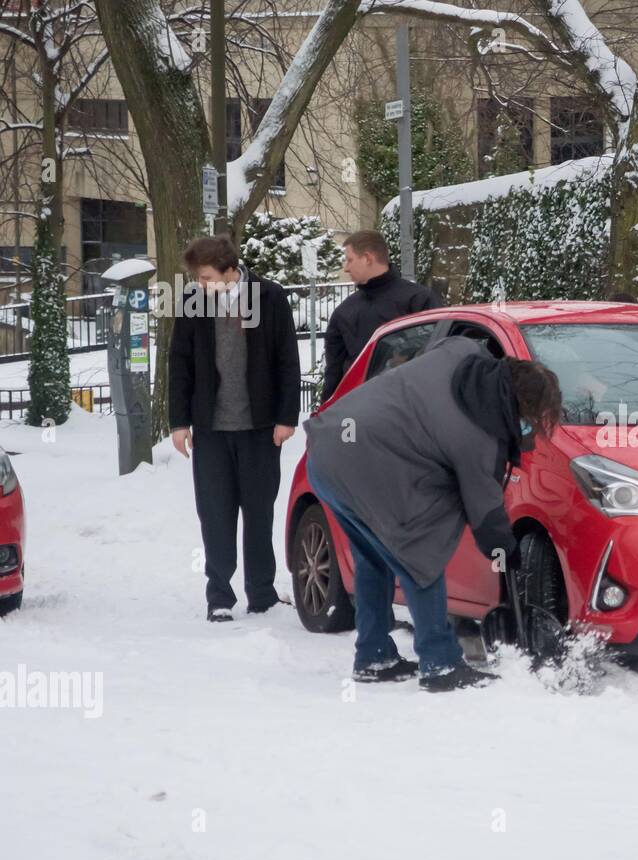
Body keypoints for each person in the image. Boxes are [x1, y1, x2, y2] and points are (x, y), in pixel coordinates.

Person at [303, 336, 563, 692]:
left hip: (325, 453)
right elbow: (484, 511)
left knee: (373, 558)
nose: (531, 428)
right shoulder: (478, 438)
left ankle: (373, 654)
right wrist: (507, 550)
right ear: (518, 406)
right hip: (364, 466)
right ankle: (440, 664)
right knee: (419, 555)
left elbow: (445, 343)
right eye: (531, 419)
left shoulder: (462, 352)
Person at [169, 235, 301, 622]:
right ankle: (219, 596)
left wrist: (286, 417)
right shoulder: (194, 302)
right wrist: (179, 422)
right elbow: (180, 364)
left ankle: (262, 593)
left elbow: (287, 359)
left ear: (230, 270)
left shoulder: (269, 297)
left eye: (207, 276)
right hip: (210, 428)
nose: (202, 283)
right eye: (198, 278)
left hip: (260, 428)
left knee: (259, 512)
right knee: (214, 513)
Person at [320, 230, 441, 401]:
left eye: (349, 260)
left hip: (412, 407)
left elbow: (438, 355)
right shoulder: (344, 312)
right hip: (360, 412)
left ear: (368, 258)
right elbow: (334, 372)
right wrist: (326, 411)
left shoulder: (418, 300)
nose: (346, 268)